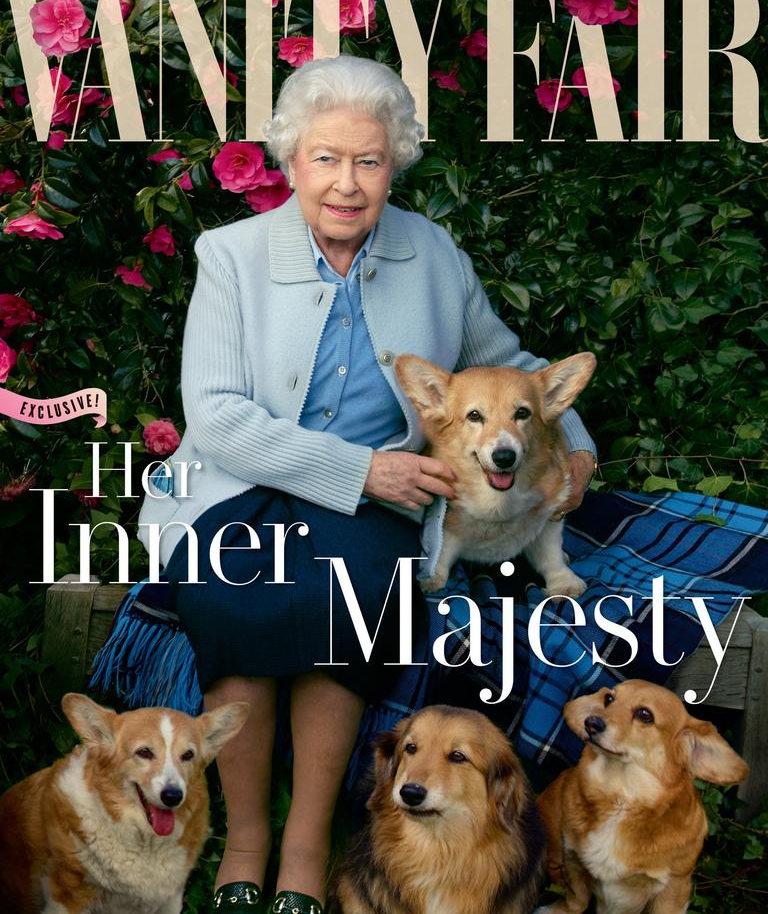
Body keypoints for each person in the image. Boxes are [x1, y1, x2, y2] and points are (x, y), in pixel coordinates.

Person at [138, 55, 596, 914]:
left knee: (344, 602)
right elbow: (218, 415)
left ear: (395, 164)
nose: (347, 185)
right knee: (237, 601)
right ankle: (245, 844)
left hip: (379, 502)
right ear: (290, 161)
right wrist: (360, 468)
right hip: (241, 485)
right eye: (326, 159)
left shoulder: (429, 251)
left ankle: (306, 851)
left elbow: (511, 367)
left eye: (369, 162)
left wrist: (577, 449)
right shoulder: (231, 256)